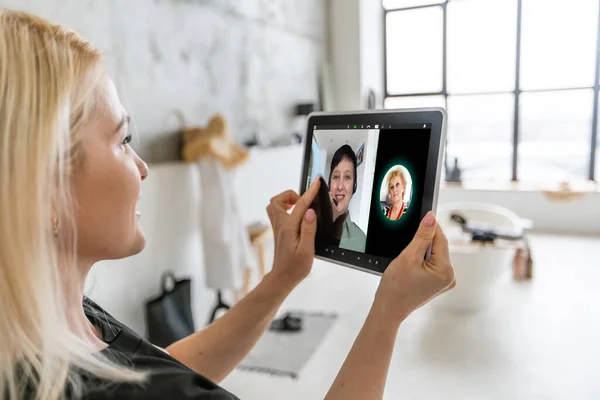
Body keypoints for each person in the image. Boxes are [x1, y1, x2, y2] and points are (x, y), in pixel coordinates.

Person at [0, 9, 455, 400]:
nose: (141, 167)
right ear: (44, 188)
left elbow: (156, 370)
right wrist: (388, 312)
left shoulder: (54, 326)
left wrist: (279, 280)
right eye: (123, 140)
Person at [327, 145, 367, 252]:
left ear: (354, 186)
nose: (340, 187)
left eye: (347, 177)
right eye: (336, 177)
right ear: (329, 184)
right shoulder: (310, 226)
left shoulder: (362, 241)